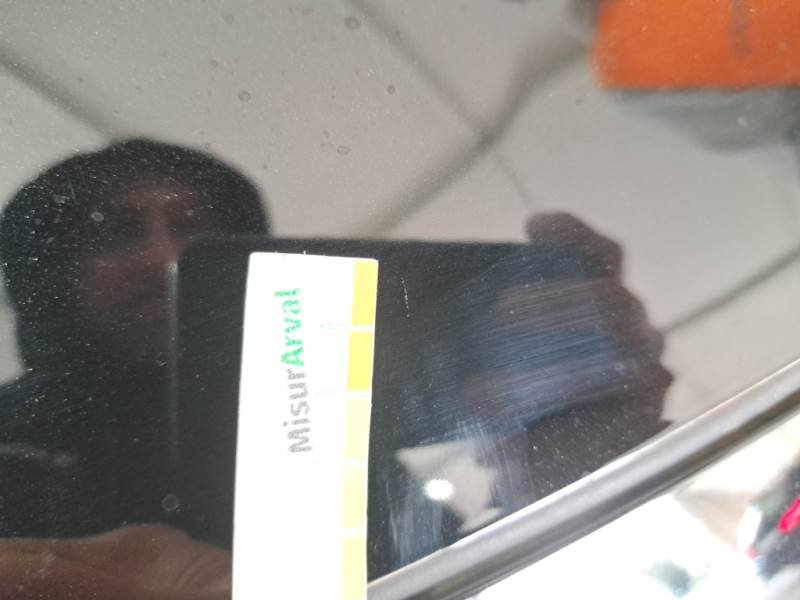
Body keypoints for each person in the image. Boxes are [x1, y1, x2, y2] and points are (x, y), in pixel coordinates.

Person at [0, 139, 269, 540]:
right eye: (117, 234)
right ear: (57, 274)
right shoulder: (11, 439)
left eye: (194, 232)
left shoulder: (307, 418)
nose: (165, 258)